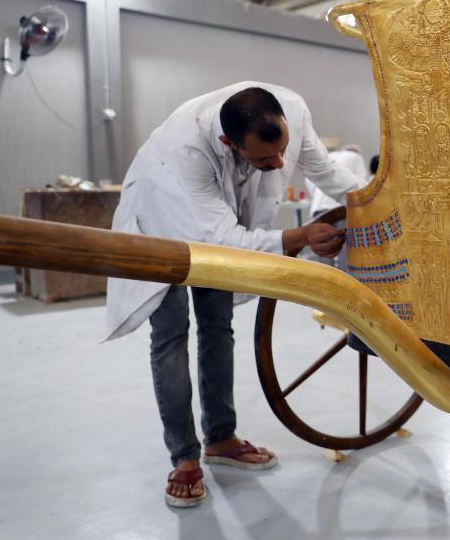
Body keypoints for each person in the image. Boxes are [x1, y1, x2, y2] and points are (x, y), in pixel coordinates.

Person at [106, 82, 366, 508]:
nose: (279, 164)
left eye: (282, 152)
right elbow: (223, 240)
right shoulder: (186, 150)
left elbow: (327, 173)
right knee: (170, 336)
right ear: (229, 142)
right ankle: (184, 458)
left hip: (217, 220)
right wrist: (300, 236)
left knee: (217, 326)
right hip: (159, 221)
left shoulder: (293, 111)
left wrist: (376, 204)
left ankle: (221, 438)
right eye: (265, 160)